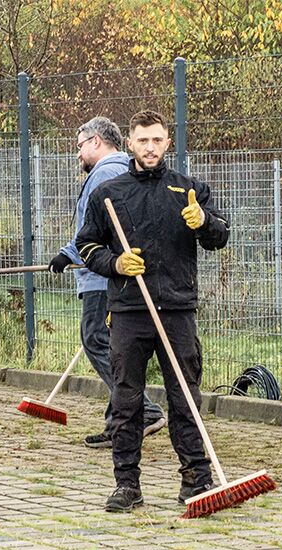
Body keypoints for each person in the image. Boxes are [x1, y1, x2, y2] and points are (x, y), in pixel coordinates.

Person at [75, 110, 230, 512]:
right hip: (129, 311)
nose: (149, 147)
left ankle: (197, 479)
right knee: (127, 400)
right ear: (129, 143)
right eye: (142, 140)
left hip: (177, 308)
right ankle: (127, 484)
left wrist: (204, 222)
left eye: (157, 140)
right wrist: (117, 264)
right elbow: (88, 247)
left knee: (185, 396)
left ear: (167, 143)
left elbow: (220, 235)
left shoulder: (187, 189)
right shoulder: (108, 193)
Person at [48, 116, 166, 449]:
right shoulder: (121, 169)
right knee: (112, 348)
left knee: (96, 340)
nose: (78, 153)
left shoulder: (106, 172)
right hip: (109, 272)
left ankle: (143, 411)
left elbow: (99, 226)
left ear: (96, 141)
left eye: (80, 145)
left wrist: (69, 253)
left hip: (105, 276)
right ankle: (118, 423)